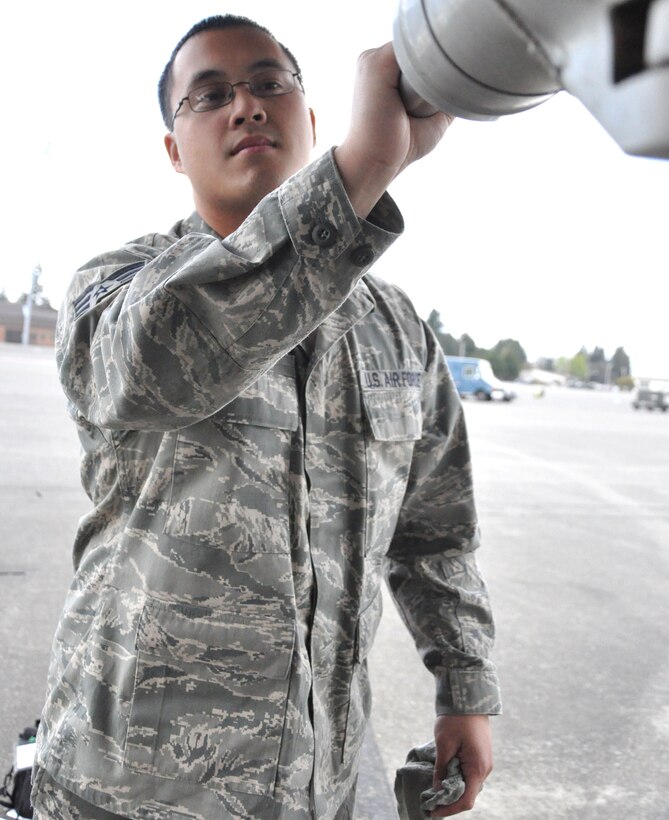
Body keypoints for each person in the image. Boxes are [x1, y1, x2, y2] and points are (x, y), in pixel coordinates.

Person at [32, 14, 501, 820]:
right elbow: (158, 359)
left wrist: (465, 689)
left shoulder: (394, 327)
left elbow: (435, 530)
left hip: (318, 784)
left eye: (269, 83)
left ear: (309, 118)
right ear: (175, 151)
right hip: (133, 787)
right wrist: (360, 170)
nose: (245, 106)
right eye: (208, 95)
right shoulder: (116, 289)